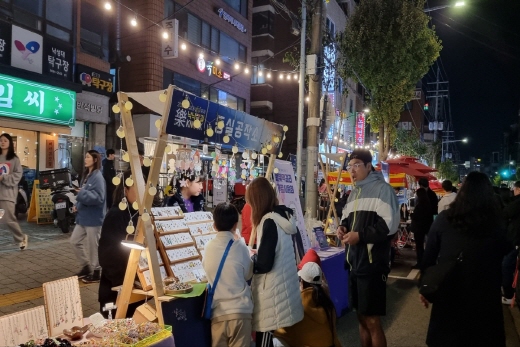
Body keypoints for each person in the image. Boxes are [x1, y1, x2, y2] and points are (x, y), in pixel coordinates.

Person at [420, 172, 508, 347]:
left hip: (449, 294)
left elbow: (428, 257)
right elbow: (505, 255)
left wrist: (425, 287)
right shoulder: (497, 222)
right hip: (486, 297)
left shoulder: (445, 219)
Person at [336, 149, 399, 347]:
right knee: (361, 318)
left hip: (372, 265)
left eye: (356, 165)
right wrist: (342, 227)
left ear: (368, 166)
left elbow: (389, 226)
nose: (352, 170)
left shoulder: (383, 190)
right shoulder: (354, 192)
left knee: (372, 321)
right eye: (349, 166)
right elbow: (347, 219)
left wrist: (360, 236)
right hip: (354, 262)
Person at [246, 177, 303, 347]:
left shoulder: (269, 221)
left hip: (272, 290)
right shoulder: (282, 216)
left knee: (264, 338)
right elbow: (276, 249)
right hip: (282, 285)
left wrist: (250, 258)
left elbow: (264, 264)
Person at [202, 203, 253, 347]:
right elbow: (248, 274)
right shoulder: (240, 246)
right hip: (240, 313)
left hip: (218, 314)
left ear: (214, 226)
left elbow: (206, 271)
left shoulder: (208, 247)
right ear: (235, 225)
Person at [97, 169, 141, 317]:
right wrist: (123, 283)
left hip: (134, 287)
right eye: (138, 186)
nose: (144, 191)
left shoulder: (139, 213)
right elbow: (108, 255)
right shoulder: (116, 215)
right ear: (125, 189)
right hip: (115, 289)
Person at [274, 262, 341, 347]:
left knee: (276, 340)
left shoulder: (296, 305)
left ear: (301, 282)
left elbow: (281, 332)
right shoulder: (328, 304)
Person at [71, 150, 106, 283]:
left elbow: (99, 198)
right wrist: (77, 204)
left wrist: (81, 194)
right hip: (83, 217)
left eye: (88, 157)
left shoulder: (98, 177)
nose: (85, 159)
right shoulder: (87, 175)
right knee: (74, 241)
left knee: (93, 246)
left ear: (95, 160)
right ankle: (86, 266)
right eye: (85, 156)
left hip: (93, 219)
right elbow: (84, 194)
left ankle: (97, 272)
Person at [0, 133, 28, 250]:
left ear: (10, 143)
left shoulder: (14, 159)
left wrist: (3, 178)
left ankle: (21, 238)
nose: (2, 142)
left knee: (9, 219)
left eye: (5, 141)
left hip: (7, 194)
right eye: (1, 140)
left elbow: (18, 175)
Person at [502, 181, 520, 305]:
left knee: (507, 265)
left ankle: (509, 295)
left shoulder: (517, 202)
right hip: (516, 238)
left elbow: (504, 214)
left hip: (516, 239)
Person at [410, 188, 433, 269]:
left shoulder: (420, 205)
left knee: (419, 246)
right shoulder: (428, 204)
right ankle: (425, 261)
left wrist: (412, 215)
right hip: (426, 228)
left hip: (418, 229)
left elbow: (416, 217)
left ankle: (420, 262)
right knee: (426, 246)